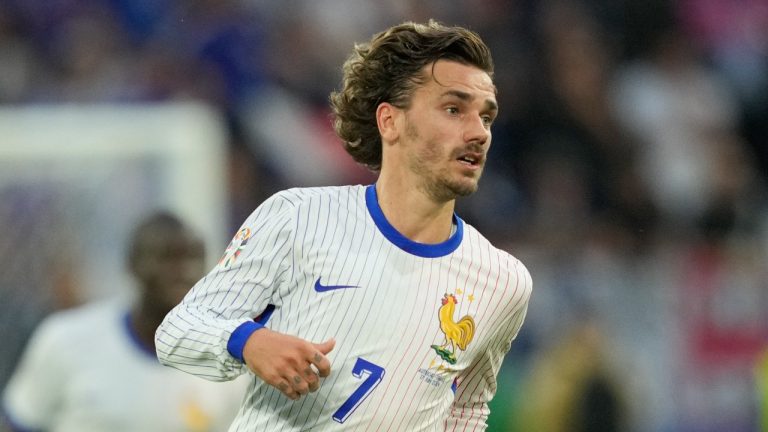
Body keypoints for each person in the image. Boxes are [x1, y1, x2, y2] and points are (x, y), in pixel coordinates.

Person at [156, 20, 533, 431]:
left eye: (486, 117)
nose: (478, 132)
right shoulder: (298, 217)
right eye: (453, 109)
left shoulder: (503, 282)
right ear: (390, 122)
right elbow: (177, 331)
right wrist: (249, 342)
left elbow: (467, 409)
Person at [2, 212, 245, 432]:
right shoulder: (65, 340)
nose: (183, 271)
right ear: (132, 264)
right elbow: (20, 422)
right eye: (167, 258)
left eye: (194, 258)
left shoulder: (228, 361)